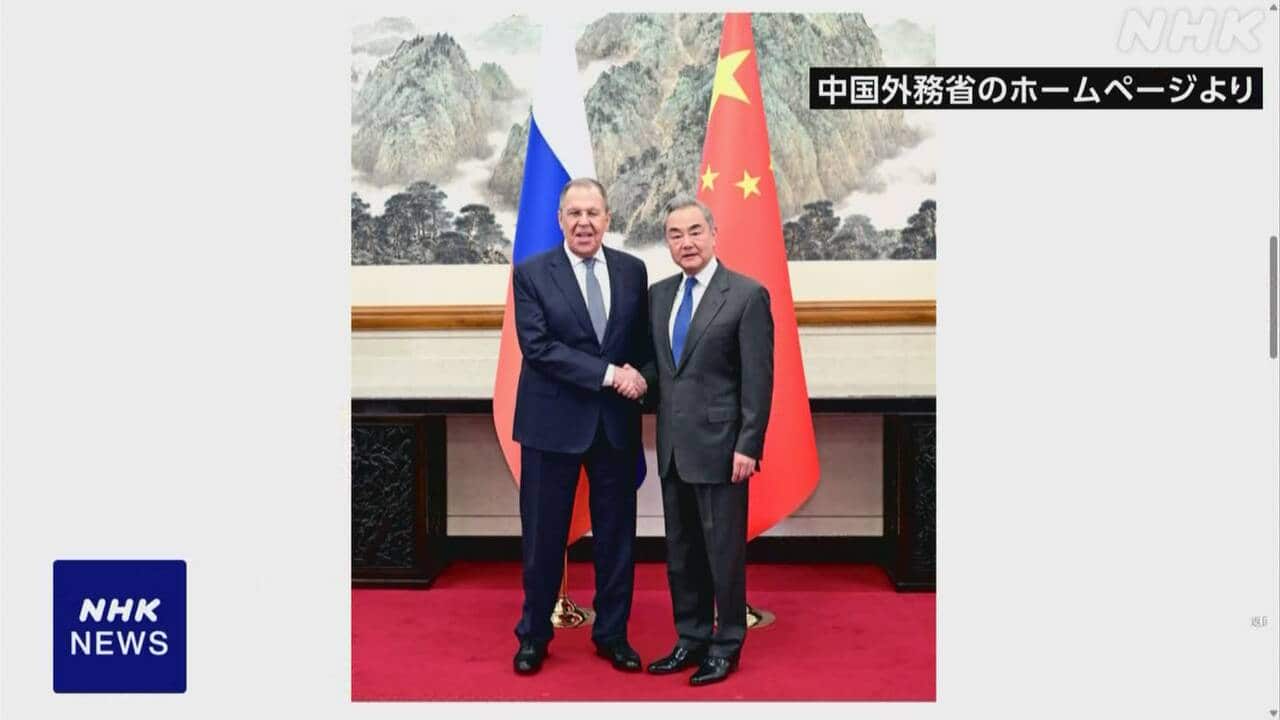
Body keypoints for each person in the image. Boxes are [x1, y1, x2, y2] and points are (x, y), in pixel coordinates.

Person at [509, 178, 651, 676]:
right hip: (551, 424)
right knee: (543, 537)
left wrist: (643, 379)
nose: (584, 222)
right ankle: (534, 635)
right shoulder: (531, 273)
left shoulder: (633, 271)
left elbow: (640, 345)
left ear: (608, 218)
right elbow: (539, 348)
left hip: (614, 427)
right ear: (560, 220)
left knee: (617, 537)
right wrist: (612, 375)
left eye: (593, 213)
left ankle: (612, 633)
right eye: (574, 213)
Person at [641, 196, 773, 686]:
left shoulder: (746, 295)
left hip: (723, 448)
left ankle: (727, 644)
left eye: (695, 231)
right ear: (667, 243)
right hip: (674, 448)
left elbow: (758, 378)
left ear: (714, 234)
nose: (686, 242)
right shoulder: (658, 296)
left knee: (723, 554)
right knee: (681, 553)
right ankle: (691, 638)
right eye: (675, 235)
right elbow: (661, 370)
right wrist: (633, 381)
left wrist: (749, 444)